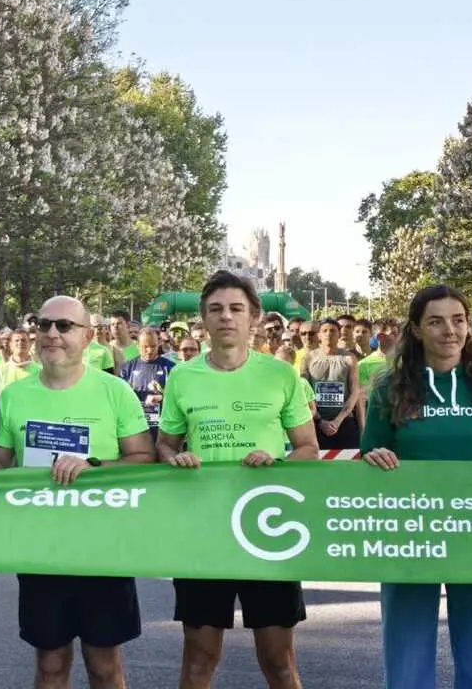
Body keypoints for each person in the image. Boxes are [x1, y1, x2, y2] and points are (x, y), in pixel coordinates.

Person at [0, 296, 153, 689]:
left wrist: (93, 466)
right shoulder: (15, 396)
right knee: (50, 666)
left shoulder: (114, 392)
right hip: (41, 548)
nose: (52, 333)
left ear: (88, 337)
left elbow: (143, 460)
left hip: (103, 548)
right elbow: (0, 458)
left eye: (64, 326)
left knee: (104, 666)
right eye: (44, 324)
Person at [155, 271, 319, 689]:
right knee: (199, 657)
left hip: (267, 529)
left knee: (278, 659)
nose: (225, 317)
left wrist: (278, 462)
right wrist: (177, 457)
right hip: (204, 530)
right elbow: (164, 446)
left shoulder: (281, 375)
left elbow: (307, 448)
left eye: (235, 309)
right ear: (203, 321)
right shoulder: (183, 376)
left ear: (254, 318)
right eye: (215, 310)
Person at [362, 285, 472, 689]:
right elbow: (372, 451)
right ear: (417, 330)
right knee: (406, 653)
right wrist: (374, 458)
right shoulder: (390, 386)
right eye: (435, 321)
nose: (449, 330)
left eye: (458, 320)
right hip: (409, 532)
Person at [300, 319, 361, 449]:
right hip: (315, 423)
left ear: (339, 334)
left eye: (333, 331)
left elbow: (355, 390)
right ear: (319, 335)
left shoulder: (349, 358)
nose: (329, 334)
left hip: (344, 421)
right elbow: (303, 391)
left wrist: (338, 421)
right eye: (325, 331)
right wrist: (320, 420)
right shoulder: (308, 358)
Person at [119, 327, 175, 441]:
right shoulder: (128, 368)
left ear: (159, 343)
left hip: (163, 428)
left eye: (153, 346)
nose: (149, 350)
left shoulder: (170, 367)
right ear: (137, 345)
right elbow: (120, 398)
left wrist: (162, 397)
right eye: (145, 347)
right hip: (136, 427)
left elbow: (179, 396)